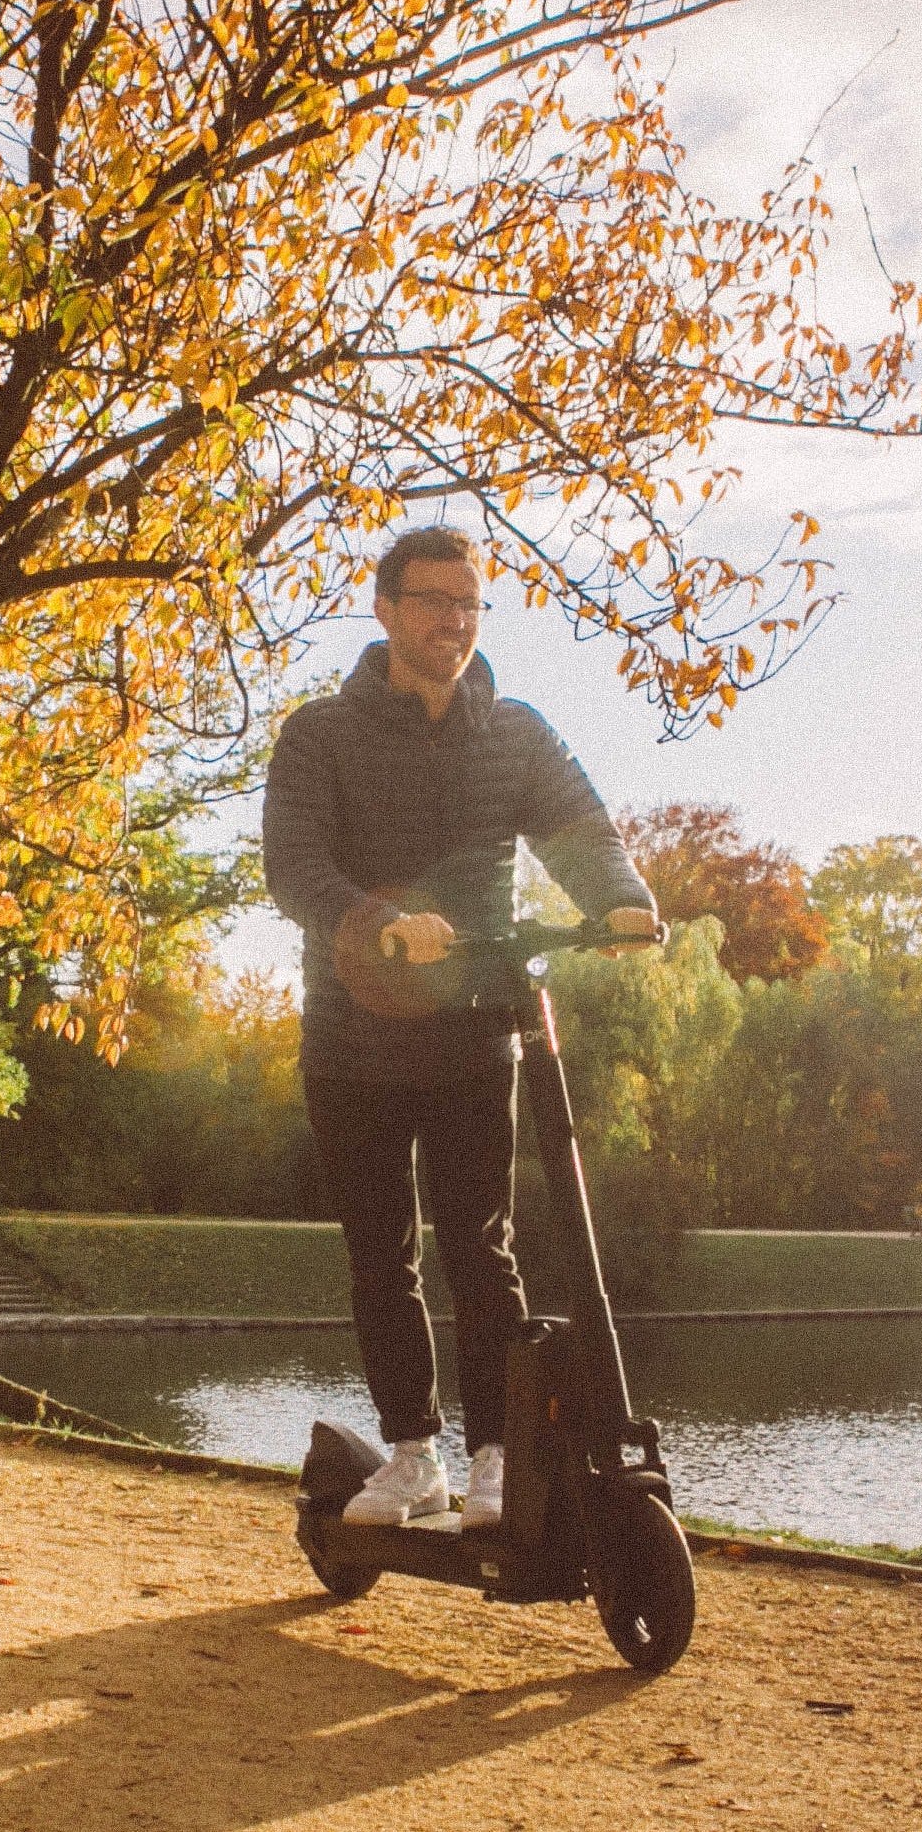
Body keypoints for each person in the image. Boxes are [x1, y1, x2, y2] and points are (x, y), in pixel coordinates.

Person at [263, 523, 657, 1530]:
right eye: (433, 602)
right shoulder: (322, 736)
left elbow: (583, 828)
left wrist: (619, 899)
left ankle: (493, 1456)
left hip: (478, 1028)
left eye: (470, 604)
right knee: (382, 1253)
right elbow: (295, 869)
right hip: (354, 1039)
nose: (454, 621)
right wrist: (383, 925)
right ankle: (410, 1455)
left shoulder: (513, 732)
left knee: (483, 1248)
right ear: (386, 608)